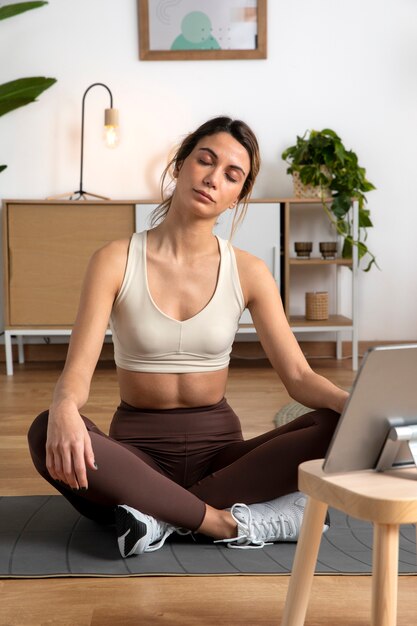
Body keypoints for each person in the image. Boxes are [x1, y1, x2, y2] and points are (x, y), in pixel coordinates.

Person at [28, 116, 348, 557]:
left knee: (334, 423)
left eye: (231, 175)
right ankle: (221, 520)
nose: (213, 179)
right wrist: (63, 406)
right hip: (136, 458)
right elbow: (76, 375)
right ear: (180, 165)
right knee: (46, 428)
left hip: (223, 458)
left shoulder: (250, 271)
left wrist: (354, 406)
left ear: (238, 197)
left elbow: (298, 376)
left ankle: (154, 516)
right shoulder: (115, 260)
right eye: (206, 161)